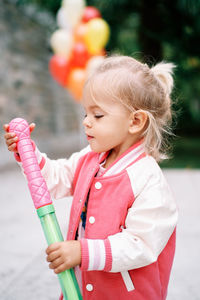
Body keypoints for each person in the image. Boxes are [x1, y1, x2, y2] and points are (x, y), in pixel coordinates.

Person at [4, 55, 178, 300]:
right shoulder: (91, 158)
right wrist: (29, 155)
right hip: (82, 289)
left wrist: (83, 252)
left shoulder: (147, 180)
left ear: (135, 121)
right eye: (85, 114)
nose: (86, 122)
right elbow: (57, 179)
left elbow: (141, 244)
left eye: (97, 116)